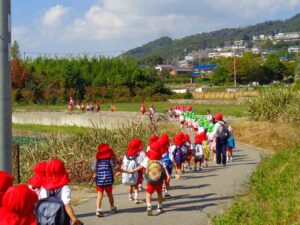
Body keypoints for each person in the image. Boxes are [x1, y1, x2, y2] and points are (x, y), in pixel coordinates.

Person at [129, 141, 170, 216]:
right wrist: (168, 176)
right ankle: (159, 207)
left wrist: (132, 170)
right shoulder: (160, 159)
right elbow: (164, 169)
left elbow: (141, 166)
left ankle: (149, 206)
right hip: (159, 180)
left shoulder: (148, 158)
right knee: (159, 193)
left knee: (148, 193)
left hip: (150, 180)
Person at [38, 159, 82, 225]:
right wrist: (74, 219)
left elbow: (41, 203)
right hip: (61, 218)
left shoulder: (44, 187)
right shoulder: (64, 187)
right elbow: (66, 205)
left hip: (46, 218)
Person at [122, 139, 141, 204]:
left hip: (128, 172)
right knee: (136, 185)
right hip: (135, 172)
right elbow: (139, 164)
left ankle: (130, 196)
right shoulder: (138, 156)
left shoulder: (126, 155)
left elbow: (123, 164)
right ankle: (136, 198)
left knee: (130, 186)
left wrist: (120, 171)